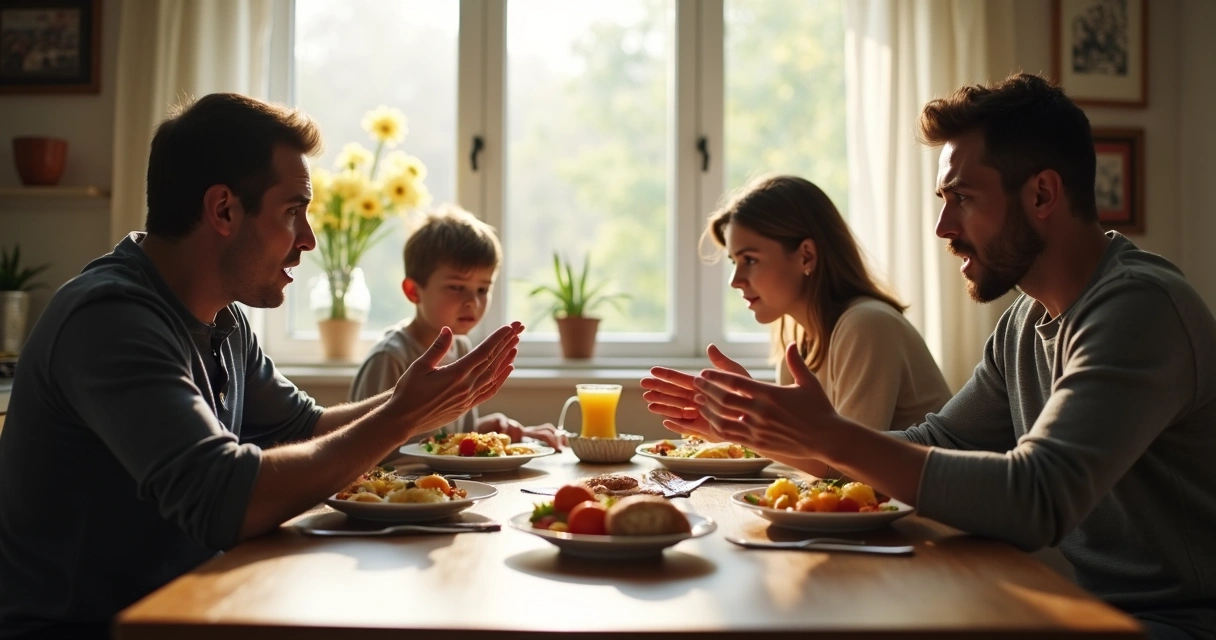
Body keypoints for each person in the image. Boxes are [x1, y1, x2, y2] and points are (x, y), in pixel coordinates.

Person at [644, 73, 1216, 640]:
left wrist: (829, 439)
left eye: (963, 198)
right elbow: (936, 442)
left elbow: (1037, 497)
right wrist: (785, 435)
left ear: (1042, 194)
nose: (943, 226)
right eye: (944, 199)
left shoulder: (1139, 307)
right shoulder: (1022, 321)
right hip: (1080, 608)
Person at [0, 93, 522, 640]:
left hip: (199, 606)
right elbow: (224, 499)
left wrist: (415, 406)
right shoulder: (109, 319)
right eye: (293, 211)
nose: (309, 240)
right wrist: (399, 416)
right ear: (223, 209)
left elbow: (305, 429)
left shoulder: (224, 318)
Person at [644, 174, 952, 477]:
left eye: (749, 259)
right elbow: (818, 465)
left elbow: (855, 471)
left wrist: (749, 426)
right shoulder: (797, 340)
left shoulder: (867, 325)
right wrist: (741, 426)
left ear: (806, 255)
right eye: (733, 262)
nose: (735, 280)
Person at [349, 205, 564, 449]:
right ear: (413, 291)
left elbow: (447, 438)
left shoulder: (461, 348)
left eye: (483, 289)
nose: (473, 301)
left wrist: (497, 432)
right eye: (456, 287)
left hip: (450, 486)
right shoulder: (390, 357)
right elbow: (363, 448)